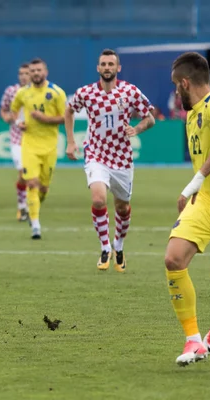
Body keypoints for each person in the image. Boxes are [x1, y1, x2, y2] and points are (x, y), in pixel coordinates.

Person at [65, 49, 155, 272]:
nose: (107, 67)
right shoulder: (86, 93)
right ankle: (105, 247)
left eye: (111, 64)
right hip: (96, 154)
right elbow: (68, 111)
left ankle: (119, 246)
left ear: (118, 68)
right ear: (98, 68)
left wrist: (136, 129)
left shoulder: (130, 91)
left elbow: (150, 118)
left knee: (122, 208)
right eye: (103, 64)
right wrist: (70, 141)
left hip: (122, 158)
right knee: (98, 199)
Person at [164, 51, 210, 366]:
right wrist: (194, 189)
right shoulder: (193, 115)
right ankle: (193, 341)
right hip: (204, 201)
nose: (174, 93)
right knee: (173, 258)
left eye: (175, 87)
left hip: (201, 191)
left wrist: (192, 183)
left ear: (185, 82)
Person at [10, 58, 67, 239]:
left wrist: (44, 119)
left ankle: (34, 207)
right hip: (29, 145)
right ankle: (35, 224)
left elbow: (65, 117)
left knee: (43, 188)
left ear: (45, 72)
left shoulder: (57, 93)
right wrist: (19, 122)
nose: (35, 73)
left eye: (38, 70)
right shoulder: (22, 93)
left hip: (50, 147)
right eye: (33, 71)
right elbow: (14, 111)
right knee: (32, 183)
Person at [0, 63, 31, 221]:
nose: (23, 76)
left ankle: (30, 203)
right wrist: (6, 117)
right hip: (17, 138)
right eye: (21, 73)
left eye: (26, 73)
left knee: (37, 178)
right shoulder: (11, 91)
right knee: (23, 173)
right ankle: (22, 207)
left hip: (37, 139)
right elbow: (3, 108)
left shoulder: (38, 92)